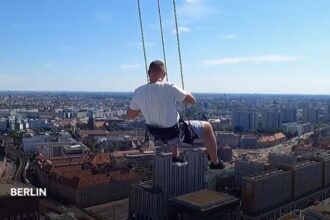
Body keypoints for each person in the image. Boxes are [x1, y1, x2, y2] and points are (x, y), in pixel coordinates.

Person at [127, 60, 225, 169]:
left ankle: (176, 156)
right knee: (207, 127)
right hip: (174, 131)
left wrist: (145, 106)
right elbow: (192, 100)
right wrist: (183, 92)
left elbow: (130, 115)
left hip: (155, 133)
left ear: (148, 73)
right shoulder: (169, 87)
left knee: (170, 122)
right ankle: (215, 162)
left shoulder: (138, 92)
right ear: (164, 74)